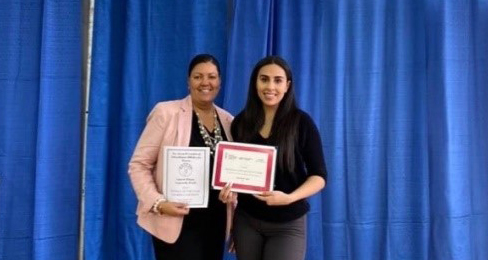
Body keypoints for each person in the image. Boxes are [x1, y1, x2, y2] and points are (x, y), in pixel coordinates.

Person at [219, 56, 327, 260]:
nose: (270, 86)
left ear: (287, 86)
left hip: (288, 224)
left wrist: (290, 198)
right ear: (255, 83)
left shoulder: (302, 123)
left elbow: (319, 176)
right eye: (264, 79)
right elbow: (236, 173)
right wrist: (229, 191)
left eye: (278, 80)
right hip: (247, 221)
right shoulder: (241, 123)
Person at [128, 54, 234, 260]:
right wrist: (158, 202)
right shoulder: (166, 113)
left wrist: (233, 191)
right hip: (176, 220)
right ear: (188, 82)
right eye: (198, 77)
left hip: (216, 221)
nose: (205, 82)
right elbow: (139, 165)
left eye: (212, 77)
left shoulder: (229, 120)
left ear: (220, 82)